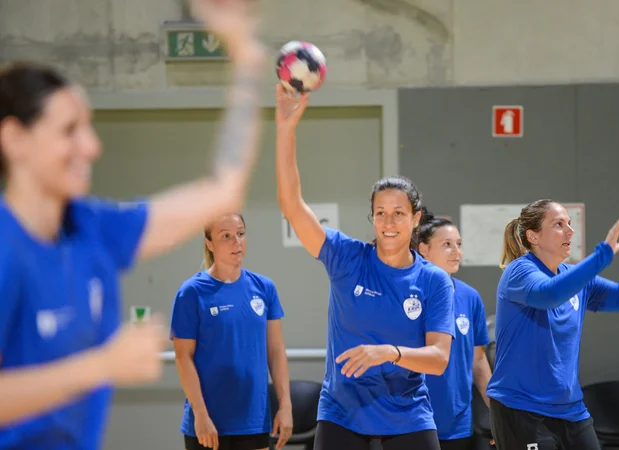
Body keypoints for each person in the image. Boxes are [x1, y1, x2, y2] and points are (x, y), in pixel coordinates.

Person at [0, 0, 267, 447]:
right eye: (70, 130)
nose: (91, 146)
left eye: (89, 127)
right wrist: (102, 366)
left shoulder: (93, 228)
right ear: (14, 139)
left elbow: (223, 191)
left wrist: (246, 60)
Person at [273, 85, 455, 450]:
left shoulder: (434, 280)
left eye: (399, 213)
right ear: (371, 217)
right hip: (343, 412)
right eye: (381, 213)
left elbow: (438, 360)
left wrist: (389, 352)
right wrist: (285, 131)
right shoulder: (346, 257)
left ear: (415, 218)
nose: (389, 222)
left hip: (407, 414)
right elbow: (292, 206)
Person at [487, 200, 619, 450]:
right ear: (533, 236)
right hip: (521, 408)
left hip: (569, 409)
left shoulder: (573, 277)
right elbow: (550, 295)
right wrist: (601, 255)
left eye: (570, 224)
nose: (570, 231)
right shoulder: (519, 271)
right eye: (558, 224)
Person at [171, 213, 292, 450]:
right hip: (209, 424)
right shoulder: (192, 293)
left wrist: (285, 406)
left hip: (254, 422)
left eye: (240, 234)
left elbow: (276, 351)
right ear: (209, 243)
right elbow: (183, 357)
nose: (236, 242)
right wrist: (200, 415)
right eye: (226, 236)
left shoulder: (264, 288)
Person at [416, 214, 493, 450]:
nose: (456, 251)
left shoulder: (470, 297)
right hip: (413, 420)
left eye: (459, 244)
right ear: (424, 250)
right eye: (447, 244)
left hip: (457, 421)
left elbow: (478, 360)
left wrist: (499, 415)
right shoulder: (410, 295)